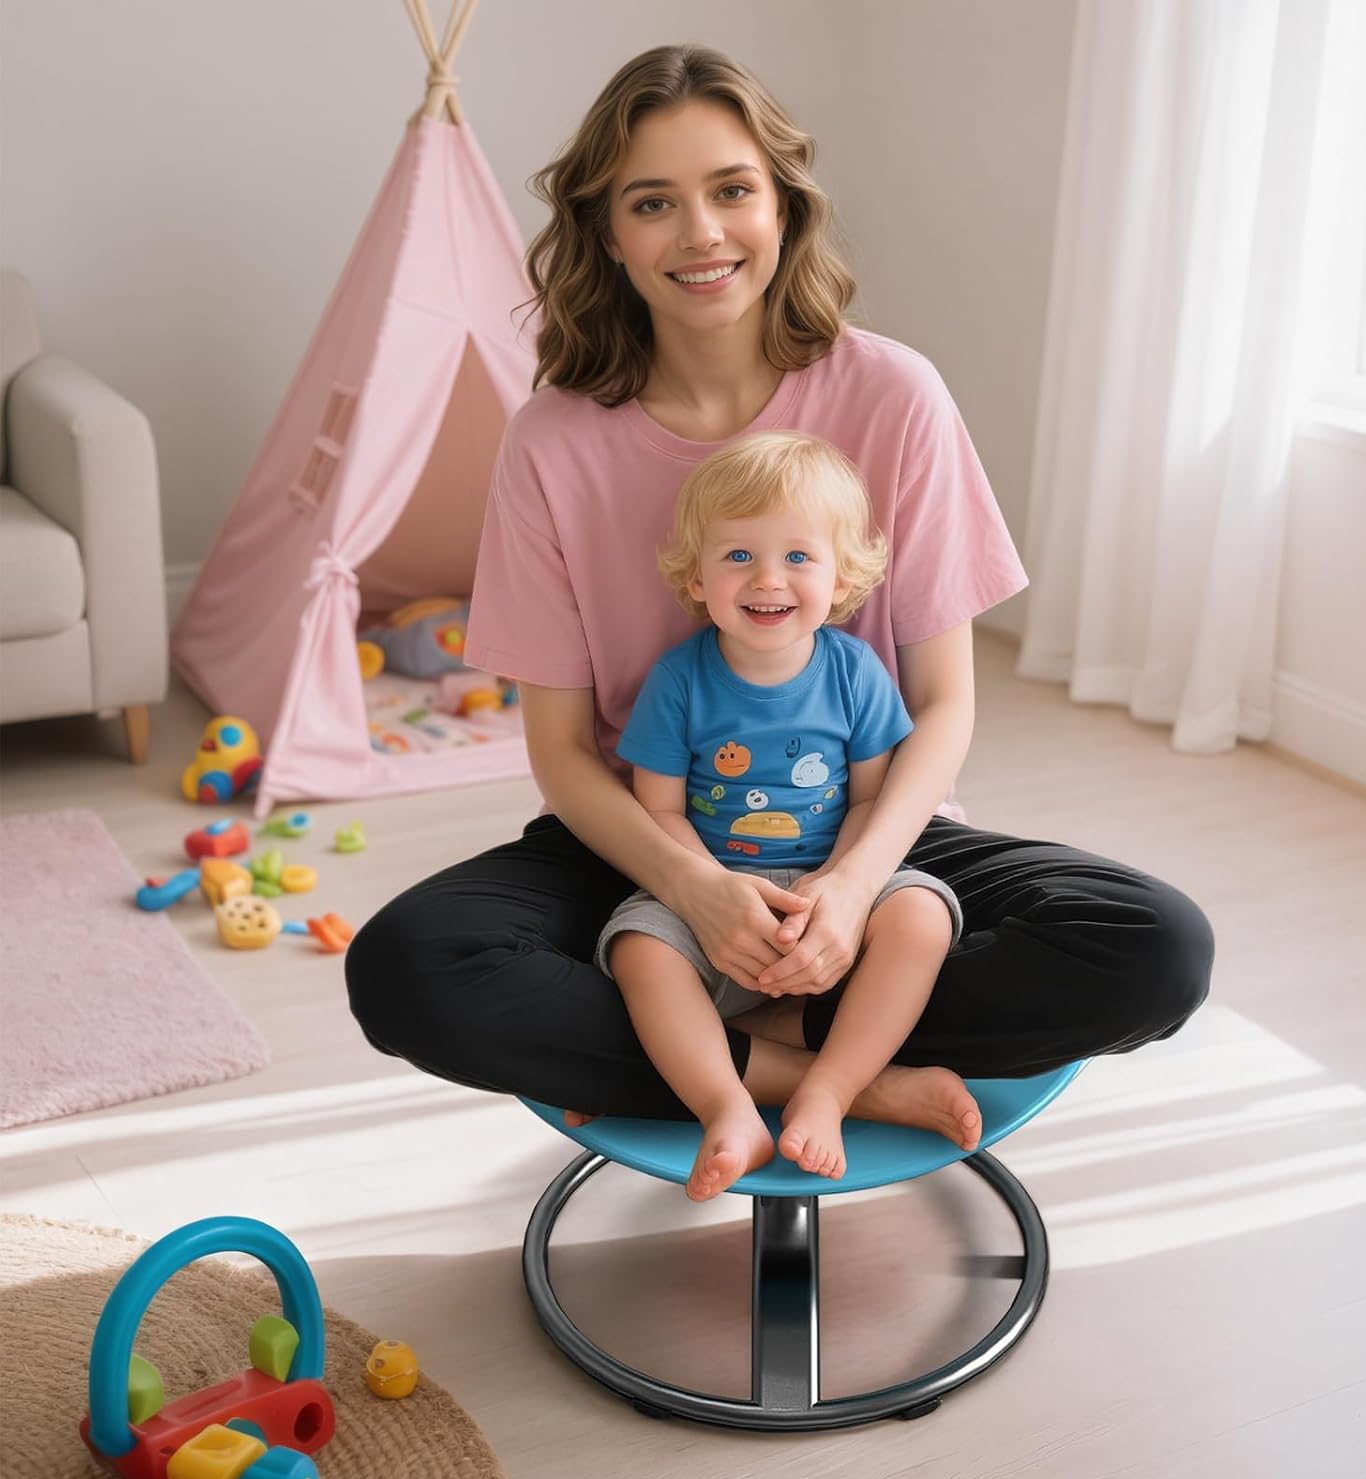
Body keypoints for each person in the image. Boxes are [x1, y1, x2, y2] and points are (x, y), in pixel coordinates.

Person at [345, 44, 1214, 1147]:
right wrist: (696, 890)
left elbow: (944, 703)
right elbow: (563, 751)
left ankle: (708, 1052)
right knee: (407, 971)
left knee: (1155, 948)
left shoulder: (895, 394)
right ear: (608, 235)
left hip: (861, 826)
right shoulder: (552, 441)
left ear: (783, 208)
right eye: (653, 202)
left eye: (732, 190)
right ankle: (814, 1074)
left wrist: (851, 888)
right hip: (645, 838)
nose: (701, 233)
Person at [600, 430, 974, 1199]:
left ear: (841, 579)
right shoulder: (677, 681)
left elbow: (873, 798)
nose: (768, 578)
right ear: (697, 578)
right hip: (715, 893)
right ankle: (728, 1107)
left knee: (924, 919)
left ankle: (829, 1090)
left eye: (798, 557)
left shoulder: (856, 672)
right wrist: (710, 894)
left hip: (830, 886)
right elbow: (658, 810)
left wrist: (843, 886)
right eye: (738, 556)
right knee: (638, 952)